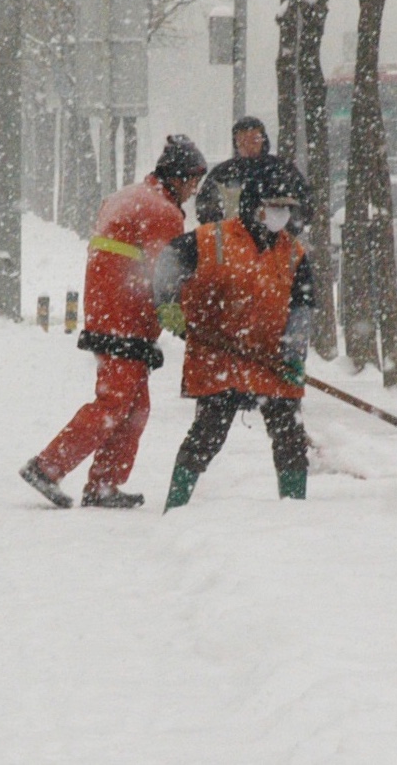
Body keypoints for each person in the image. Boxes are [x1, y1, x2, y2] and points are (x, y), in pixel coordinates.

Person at [19, 135, 207, 509]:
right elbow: (166, 276)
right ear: (177, 175)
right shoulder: (162, 211)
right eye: (192, 181)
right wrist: (187, 321)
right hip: (127, 320)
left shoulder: (127, 197)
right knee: (113, 405)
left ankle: (105, 484)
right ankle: (47, 467)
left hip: (108, 312)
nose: (194, 190)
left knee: (135, 408)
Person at [155, 164, 315, 511]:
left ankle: (297, 515)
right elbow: (167, 263)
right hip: (218, 355)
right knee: (206, 437)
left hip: (271, 360)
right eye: (274, 206)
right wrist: (169, 306)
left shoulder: (293, 253)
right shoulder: (212, 238)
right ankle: (176, 507)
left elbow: (303, 306)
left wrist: (294, 353)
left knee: (290, 439)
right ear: (253, 205)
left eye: (286, 208)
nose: (280, 214)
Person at [196, 115, 312, 236]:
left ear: (263, 140)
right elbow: (205, 208)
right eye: (242, 141)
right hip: (234, 246)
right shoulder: (222, 174)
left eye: (254, 140)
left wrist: (282, 220)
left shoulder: (282, 170)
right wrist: (225, 229)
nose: (249, 146)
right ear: (235, 143)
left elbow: (305, 204)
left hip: (278, 247)